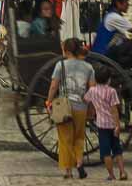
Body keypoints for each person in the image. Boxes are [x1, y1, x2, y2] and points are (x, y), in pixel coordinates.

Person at [46, 38, 95, 179]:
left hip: (64, 106)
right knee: (79, 137)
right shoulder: (88, 67)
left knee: (65, 138)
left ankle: (68, 171)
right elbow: (92, 90)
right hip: (81, 107)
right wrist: (91, 107)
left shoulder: (60, 65)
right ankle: (79, 162)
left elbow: (54, 86)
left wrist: (49, 102)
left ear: (66, 51)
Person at [84, 65, 127, 180]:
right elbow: (114, 110)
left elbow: (85, 99)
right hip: (112, 125)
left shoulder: (92, 91)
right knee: (117, 150)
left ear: (95, 79)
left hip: (102, 126)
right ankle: (122, 172)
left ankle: (111, 175)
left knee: (106, 152)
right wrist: (118, 125)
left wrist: (90, 111)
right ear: (109, 79)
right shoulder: (112, 91)